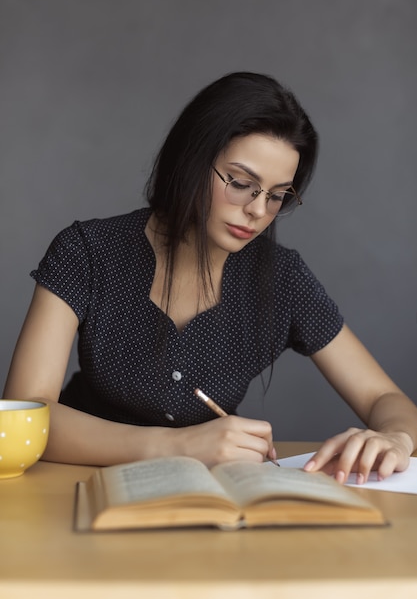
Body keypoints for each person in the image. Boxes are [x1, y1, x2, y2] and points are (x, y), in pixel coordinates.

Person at [4, 72, 417, 484]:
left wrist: (396, 439)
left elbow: (385, 398)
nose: (258, 211)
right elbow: (25, 408)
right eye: (241, 183)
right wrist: (176, 446)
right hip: (73, 487)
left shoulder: (283, 279)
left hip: (210, 495)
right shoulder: (89, 251)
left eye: (276, 196)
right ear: (192, 159)